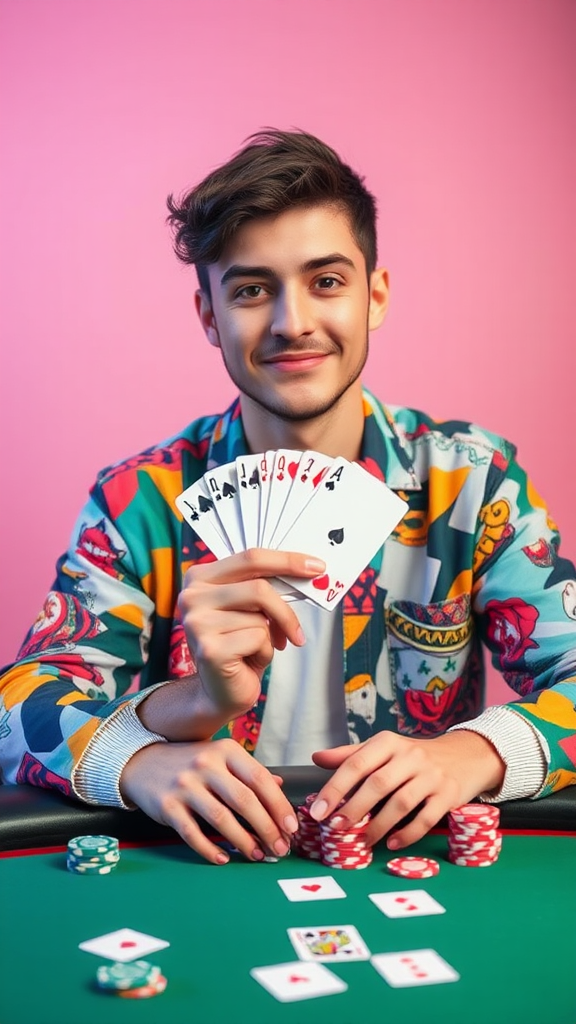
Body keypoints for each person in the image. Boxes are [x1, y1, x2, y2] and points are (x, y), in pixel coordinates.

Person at [1, 129, 575, 866]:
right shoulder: (140, 500)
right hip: (198, 875)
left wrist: (473, 752)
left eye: (326, 281)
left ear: (375, 297)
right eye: (250, 289)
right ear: (209, 316)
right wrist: (159, 736)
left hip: (409, 868)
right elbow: (21, 702)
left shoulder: (471, 484)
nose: (291, 322)